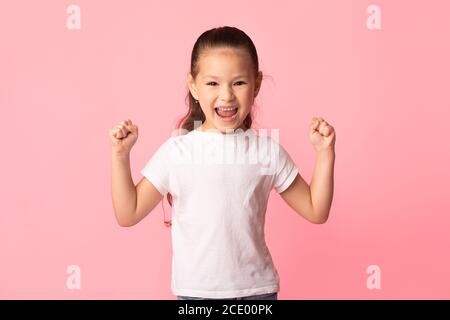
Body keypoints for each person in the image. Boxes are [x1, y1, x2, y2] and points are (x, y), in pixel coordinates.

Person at [109, 26, 336, 300]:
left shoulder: (267, 152)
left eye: (238, 83)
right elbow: (128, 212)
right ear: (193, 86)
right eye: (212, 83)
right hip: (196, 295)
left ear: (257, 85)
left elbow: (315, 210)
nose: (227, 95)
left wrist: (324, 154)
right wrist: (120, 156)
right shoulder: (177, 151)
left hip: (257, 293)